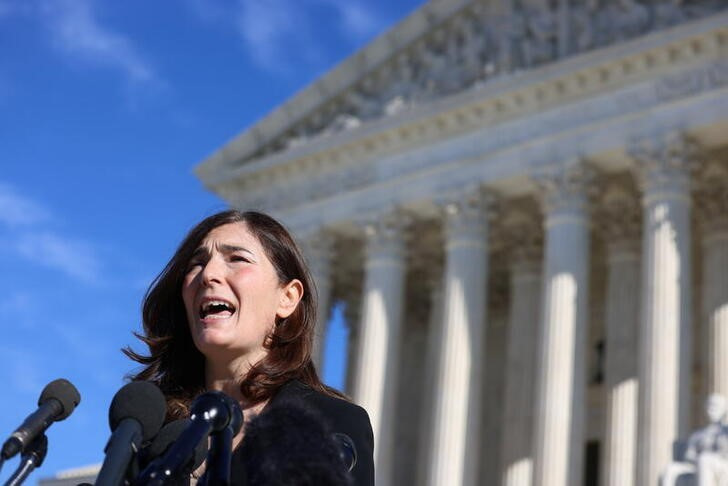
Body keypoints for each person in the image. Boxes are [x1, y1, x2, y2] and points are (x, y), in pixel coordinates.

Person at [124, 210, 374, 485]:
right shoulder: (151, 430)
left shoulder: (331, 426)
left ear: (287, 298)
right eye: (197, 263)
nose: (208, 274)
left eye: (237, 259)